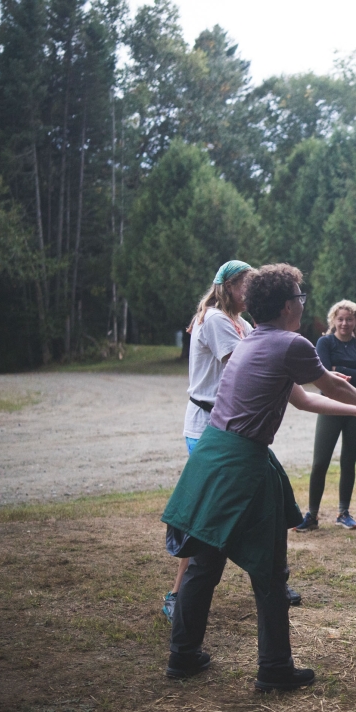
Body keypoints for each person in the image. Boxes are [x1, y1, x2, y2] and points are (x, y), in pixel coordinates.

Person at [161, 264, 356, 691]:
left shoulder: (252, 341)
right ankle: (274, 669)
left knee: (205, 563)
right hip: (242, 462)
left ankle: (183, 655)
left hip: (213, 454)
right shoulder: (290, 343)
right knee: (268, 571)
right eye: (300, 298)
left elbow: (303, 399)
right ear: (288, 305)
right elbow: (333, 387)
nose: (303, 305)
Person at [163, 260, 255, 622]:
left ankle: (271, 579)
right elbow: (245, 365)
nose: (250, 293)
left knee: (245, 504)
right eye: (246, 286)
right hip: (207, 427)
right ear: (228, 286)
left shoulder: (241, 322)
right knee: (206, 514)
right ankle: (176, 594)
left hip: (231, 424)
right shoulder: (216, 319)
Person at [294, 300, 356, 532]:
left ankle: (344, 512)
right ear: (333, 320)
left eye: (349, 319)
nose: (344, 323)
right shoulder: (325, 342)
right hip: (330, 406)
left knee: (348, 462)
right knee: (320, 462)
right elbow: (324, 373)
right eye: (340, 318)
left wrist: (340, 371)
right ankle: (312, 514)